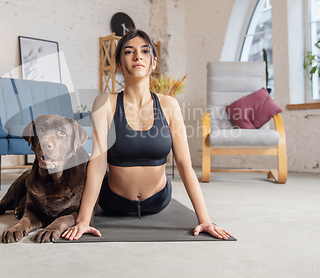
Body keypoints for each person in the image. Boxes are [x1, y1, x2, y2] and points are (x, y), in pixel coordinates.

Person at [61, 29, 231, 241]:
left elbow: (184, 164)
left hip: (158, 201)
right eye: (129, 51)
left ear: (153, 62)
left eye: (144, 51)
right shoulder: (105, 103)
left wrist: (205, 219)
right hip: (113, 201)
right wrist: (84, 220)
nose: (137, 56)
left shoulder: (169, 105)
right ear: (120, 63)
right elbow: (97, 163)